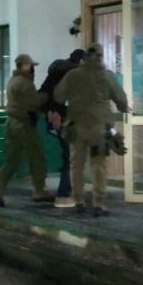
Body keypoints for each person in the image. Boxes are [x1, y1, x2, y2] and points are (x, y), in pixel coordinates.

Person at [54, 43, 129, 217]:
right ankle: (98, 203)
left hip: (76, 128)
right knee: (98, 165)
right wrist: (123, 108)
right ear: (101, 57)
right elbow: (121, 100)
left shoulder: (73, 75)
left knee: (76, 165)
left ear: (85, 57)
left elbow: (58, 96)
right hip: (98, 130)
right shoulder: (107, 76)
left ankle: (79, 201)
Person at [0, 54, 55, 207]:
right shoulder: (25, 83)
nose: (32, 69)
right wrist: (46, 95)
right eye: (31, 65)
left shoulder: (12, 81)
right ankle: (39, 190)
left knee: (12, 159)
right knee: (36, 157)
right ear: (24, 65)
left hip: (11, 123)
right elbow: (35, 102)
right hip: (25, 125)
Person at [38, 49, 86, 208]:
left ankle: (67, 192)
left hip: (56, 119)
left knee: (68, 154)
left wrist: (50, 111)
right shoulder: (72, 74)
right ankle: (64, 194)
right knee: (70, 155)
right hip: (66, 120)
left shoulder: (56, 72)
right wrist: (56, 111)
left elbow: (43, 95)